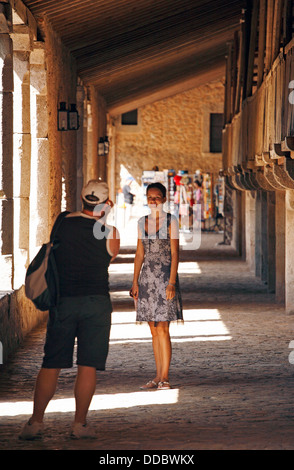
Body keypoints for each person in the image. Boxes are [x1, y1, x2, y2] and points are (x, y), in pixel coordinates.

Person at [19, 180, 120, 440]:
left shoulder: (62, 222)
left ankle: (35, 421)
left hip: (63, 302)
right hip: (96, 304)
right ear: (106, 203)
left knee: (51, 363)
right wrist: (105, 215)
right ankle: (79, 424)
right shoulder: (110, 232)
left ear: (82, 198)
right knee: (87, 365)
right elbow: (110, 254)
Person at [130, 182, 183, 390]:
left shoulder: (172, 222)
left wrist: (171, 282)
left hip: (164, 279)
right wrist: (135, 281)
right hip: (147, 280)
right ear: (146, 199)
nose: (153, 201)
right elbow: (139, 253)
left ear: (164, 199)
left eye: (157, 197)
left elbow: (175, 253)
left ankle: (165, 377)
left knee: (163, 328)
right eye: (150, 197)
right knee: (153, 330)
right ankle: (157, 375)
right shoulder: (141, 222)